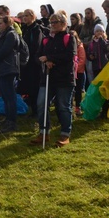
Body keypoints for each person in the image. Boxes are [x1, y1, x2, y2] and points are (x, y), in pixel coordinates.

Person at [30, 11, 77, 146]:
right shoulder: (46, 39)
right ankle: (43, 132)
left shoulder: (69, 37)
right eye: (51, 22)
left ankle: (65, 134)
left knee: (63, 106)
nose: (52, 25)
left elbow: (69, 55)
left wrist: (51, 59)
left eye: (55, 22)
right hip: (47, 77)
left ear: (63, 23)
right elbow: (38, 56)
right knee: (41, 104)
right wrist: (44, 61)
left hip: (64, 78)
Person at [0, 15, 21, 133]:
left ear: (7, 23)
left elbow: (4, 50)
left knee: (10, 96)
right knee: (5, 96)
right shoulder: (3, 34)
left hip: (9, 67)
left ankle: (12, 122)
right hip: (2, 67)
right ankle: (8, 119)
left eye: (1, 23)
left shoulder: (11, 34)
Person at [19, 9, 44, 116]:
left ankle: (36, 111)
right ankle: (31, 109)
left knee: (34, 87)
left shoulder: (36, 29)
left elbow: (36, 45)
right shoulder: (24, 29)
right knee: (28, 87)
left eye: (27, 16)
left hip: (33, 63)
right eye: (24, 16)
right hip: (25, 62)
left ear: (32, 16)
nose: (25, 18)